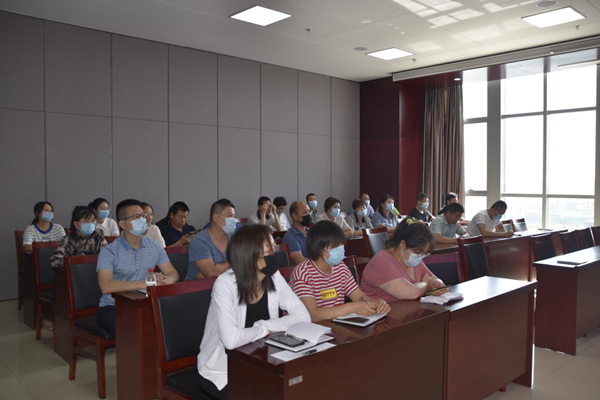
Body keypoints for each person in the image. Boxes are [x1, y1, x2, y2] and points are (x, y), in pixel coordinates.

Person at [197, 225, 310, 399]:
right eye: (269, 250)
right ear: (249, 254)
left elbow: (303, 317)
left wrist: (266, 325)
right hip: (224, 369)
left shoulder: (273, 276)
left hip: (265, 362)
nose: (275, 254)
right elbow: (231, 340)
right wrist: (264, 329)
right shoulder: (225, 284)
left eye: (274, 248)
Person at [96, 199, 179, 334]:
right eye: (136, 217)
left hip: (147, 302)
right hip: (114, 306)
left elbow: (173, 273)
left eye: (143, 216)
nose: (143, 220)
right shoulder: (109, 251)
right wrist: (145, 283)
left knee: (177, 318)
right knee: (139, 326)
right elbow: (106, 286)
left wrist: (164, 281)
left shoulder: (155, 246)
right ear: (123, 224)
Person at [290, 221, 390, 322]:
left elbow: (359, 297)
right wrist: (352, 307)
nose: (341, 249)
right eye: (335, 246)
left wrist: (376, 304)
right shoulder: (302, 273)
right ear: (319, 249)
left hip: (336, 325)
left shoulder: (340, 267)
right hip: (310, 328)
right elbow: (312, 315)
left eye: (341, 244)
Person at [361, 219, 445, 302]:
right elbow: (410, 293)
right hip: (378, 310)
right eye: (418, 252)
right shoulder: (382, 261)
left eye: (424, 254)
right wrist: (426, 284)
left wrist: (436, 284)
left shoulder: (412, 259)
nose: (420, 257)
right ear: (403, 245)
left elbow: (432, 278)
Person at [187, 199, 235, 280]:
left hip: (228, 283)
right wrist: (235, 262)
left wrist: (219, 269)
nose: (233, 220)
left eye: (234, 217)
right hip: (199, 286)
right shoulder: (199, 240)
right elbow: (211, 273)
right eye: (230, 216)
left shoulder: (235, 237)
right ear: (216, 218)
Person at [51, 206, 107, 270]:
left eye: (93, 220)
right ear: (76, 224)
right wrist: (74, 265)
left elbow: (107, 254)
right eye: (87, 221)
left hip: (97, 272)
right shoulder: (68, 240)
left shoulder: (98, 234)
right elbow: (55, 261)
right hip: (76, 273)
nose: (90, 223)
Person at [282, 201, 311, 265]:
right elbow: (300, 260)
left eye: (309, 211)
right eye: (304, 213)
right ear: (295, 216)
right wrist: (320, 263)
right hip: (303, 270)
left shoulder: (312, 232)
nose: (308, 215)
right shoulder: (289, 236)